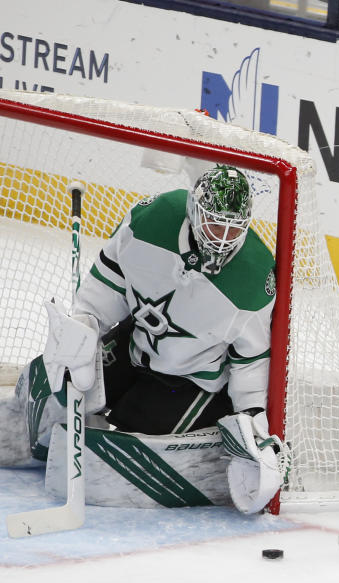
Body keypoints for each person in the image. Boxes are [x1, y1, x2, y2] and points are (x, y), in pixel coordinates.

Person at [0, 165, 287, 514]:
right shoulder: (152, 220)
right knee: (52, 384)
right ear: (194, 210)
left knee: (129, 432)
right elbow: (108, 286)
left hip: (190, 382)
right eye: (215, 222)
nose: (223, 238)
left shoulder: (254, 280)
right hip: (135, 344)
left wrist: (254, 425)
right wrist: (84, 326)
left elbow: (251, 363)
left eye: (233, 228)